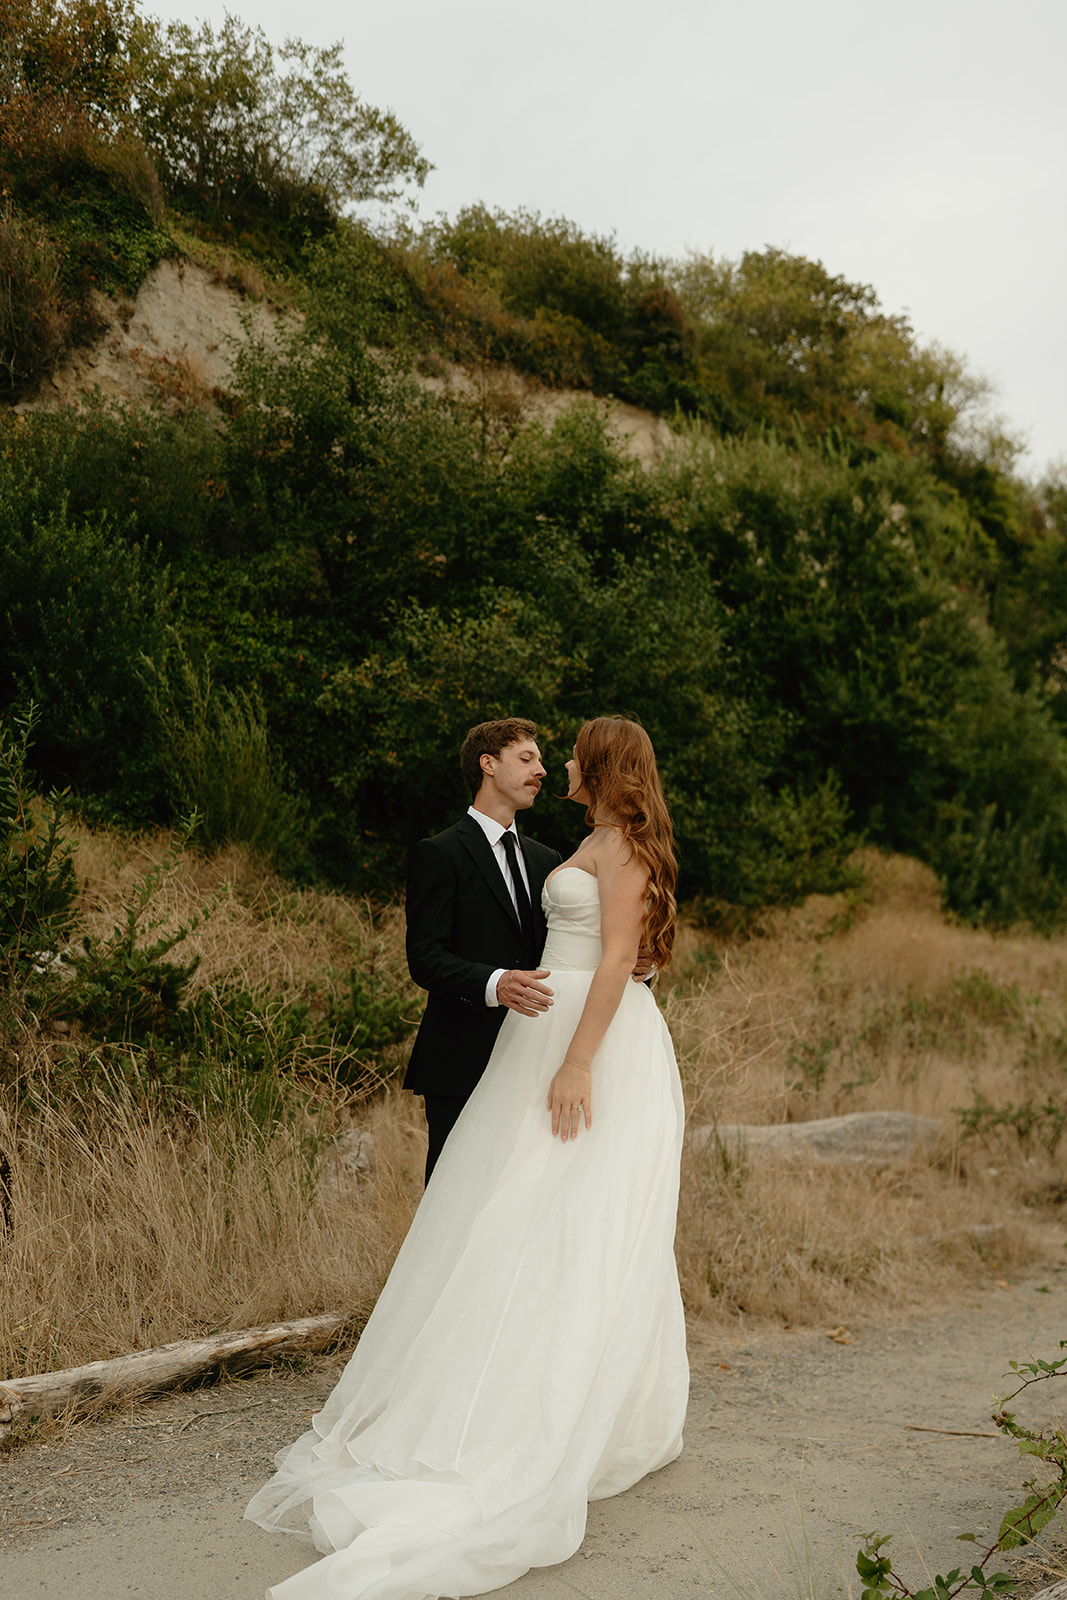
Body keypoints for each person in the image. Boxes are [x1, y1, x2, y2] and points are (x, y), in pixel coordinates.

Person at [246, 716, 688, 1600]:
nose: (552, 762)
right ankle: (471, 1388)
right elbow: (442, 955)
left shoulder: (596, 847)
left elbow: (612, 960)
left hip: (571, 1048)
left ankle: (540, 1409)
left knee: (565, 1221)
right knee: (498, 1220)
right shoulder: (517, 847)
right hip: (514, 1048)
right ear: (487, 766)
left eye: (563, 753)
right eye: (532, 754)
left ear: (598, 766)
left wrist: (577, 1056)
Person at [404, 718, 562, 1182]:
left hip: (531, 1061)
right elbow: (425, 957)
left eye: (541, 760)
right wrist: (496, 983)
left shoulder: (545, 859)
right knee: (454, 1203)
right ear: (488, 764)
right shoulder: (439, 852)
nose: (542, 770)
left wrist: (638, 969)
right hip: (460, 1060)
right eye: (528, 758)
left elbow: (558, 951)